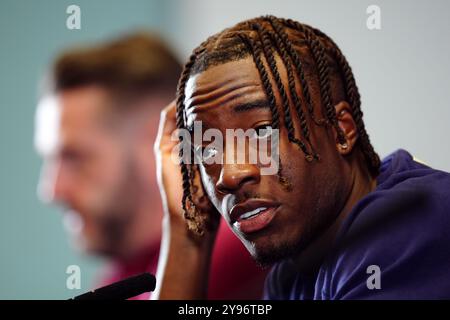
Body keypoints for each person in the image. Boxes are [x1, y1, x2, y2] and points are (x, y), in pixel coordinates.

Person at [153, 16, 450, 299]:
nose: (229, 175)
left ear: (341, 132)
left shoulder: (406, 223)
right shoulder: (291, 273)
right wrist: (187, 224)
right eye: (208, 149)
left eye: (261, 132)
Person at [35, 32, 267, 299]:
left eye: (75, 157)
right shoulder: (120, 277)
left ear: (159, 140)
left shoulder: (237, 240)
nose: (51, 190)